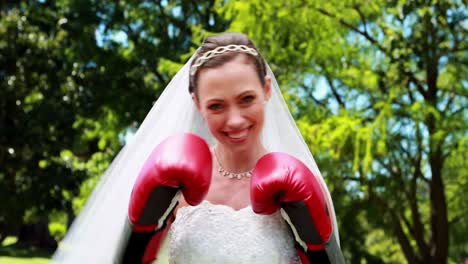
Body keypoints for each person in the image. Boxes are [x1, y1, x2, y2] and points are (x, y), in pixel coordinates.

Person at [52, 32, 343, 263]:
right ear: (197, 104)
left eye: (246, 99)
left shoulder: (299, 185)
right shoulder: (173, 178)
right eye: (216, 105)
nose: (235, 119)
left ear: (266, 90)